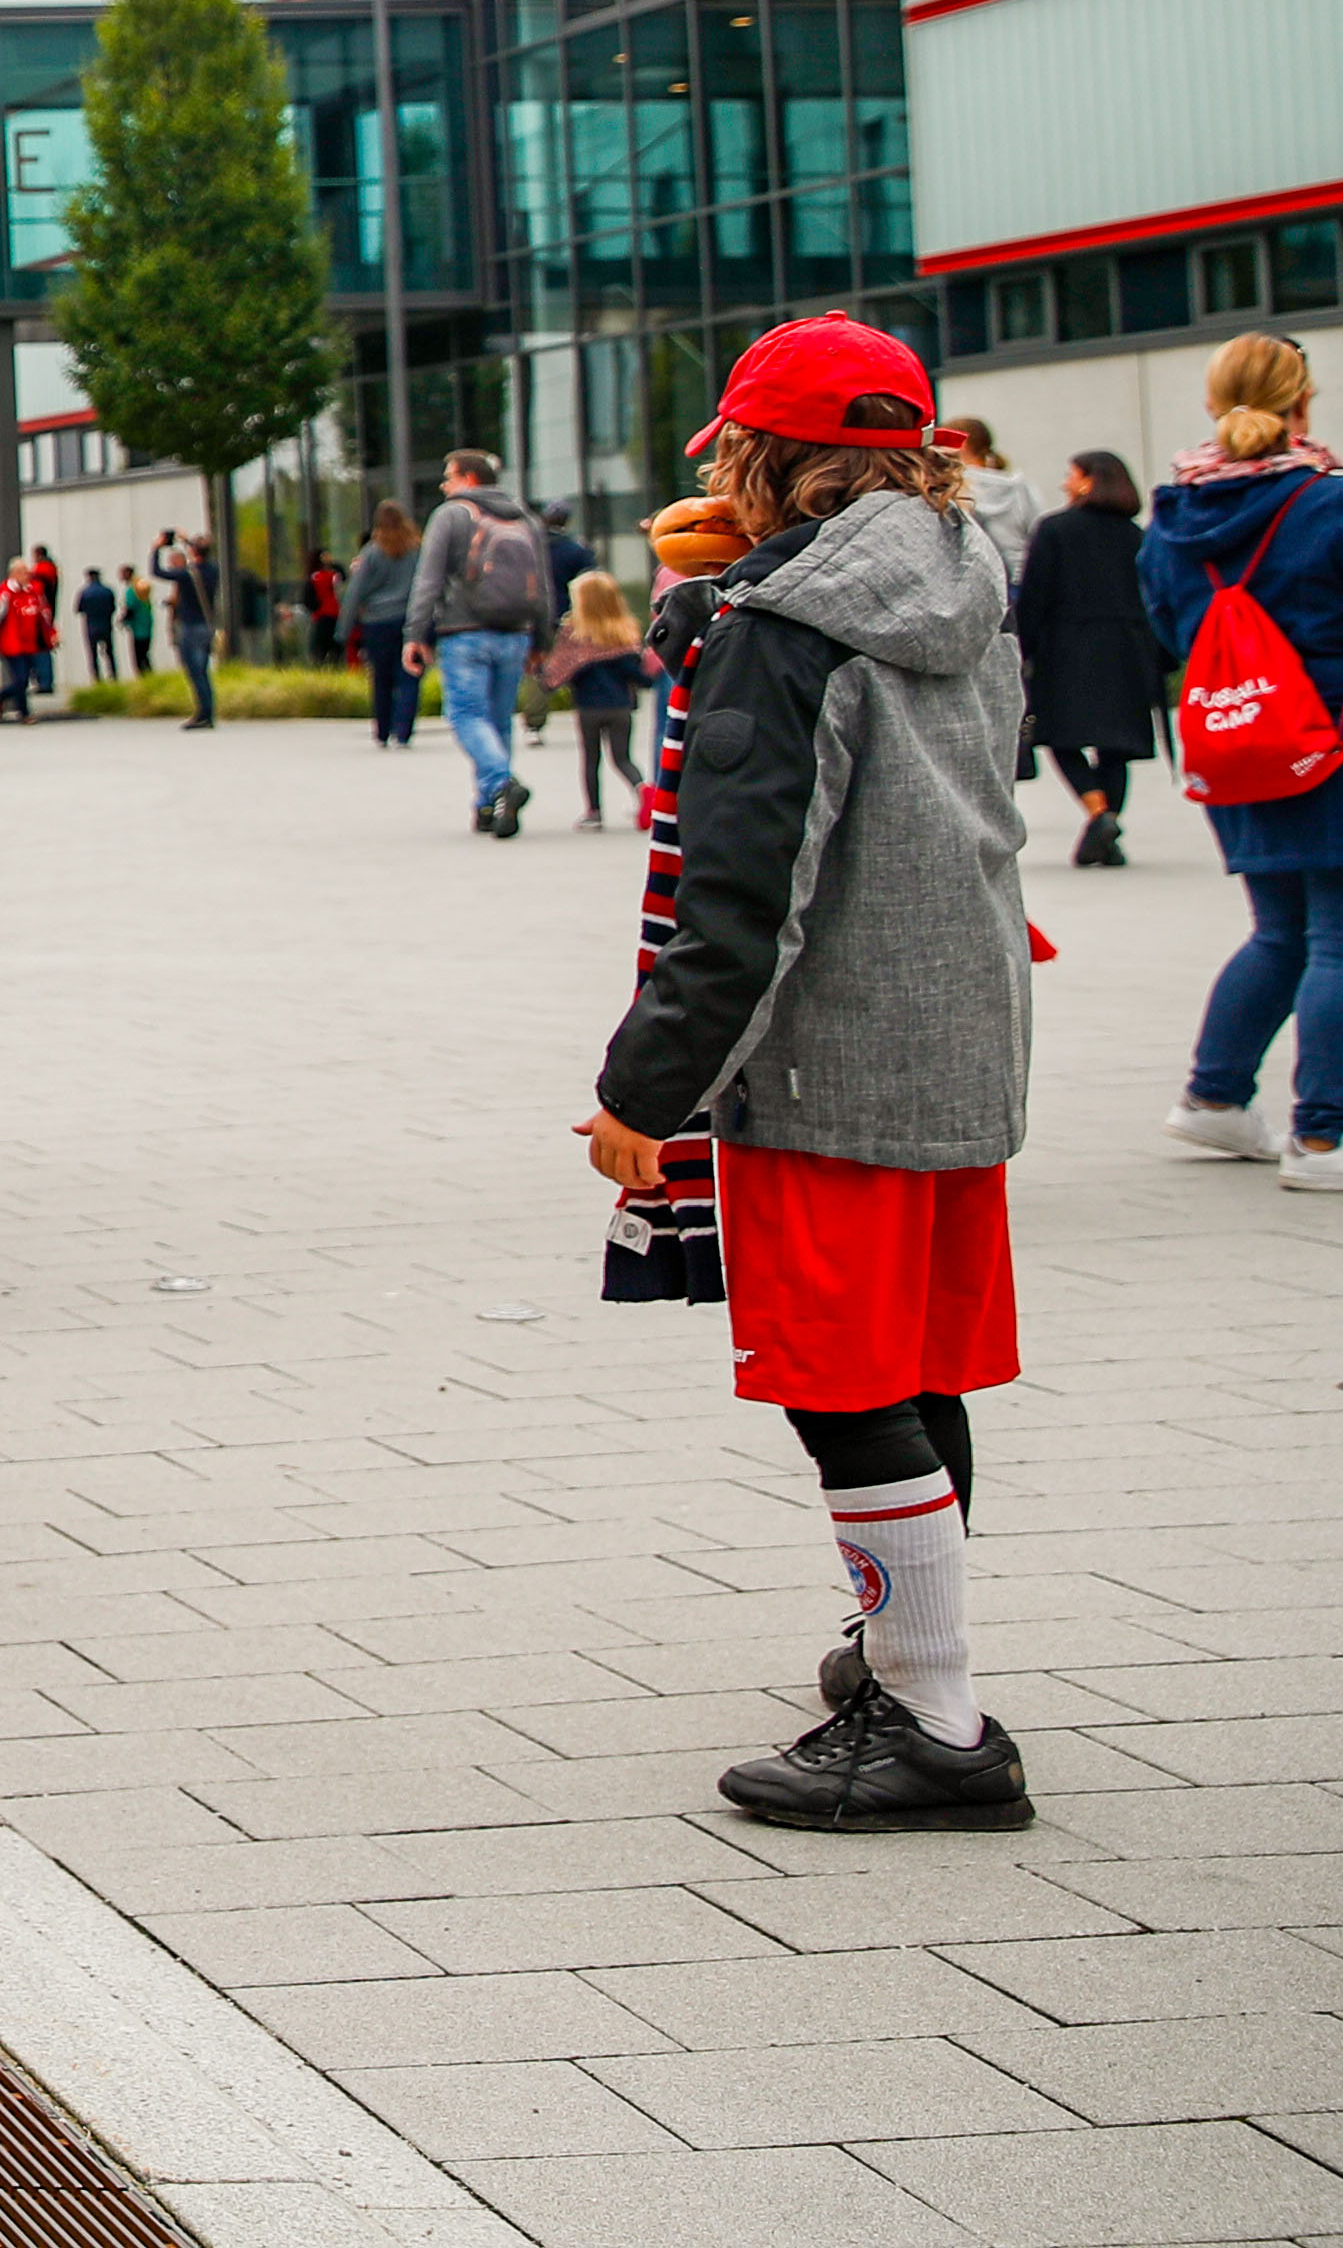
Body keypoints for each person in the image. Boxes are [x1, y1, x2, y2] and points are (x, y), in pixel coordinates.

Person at [580, 315, 1034, 1833]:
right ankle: (908, 1655)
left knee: (844, 1385)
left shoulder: (785, 624)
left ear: (766, 460)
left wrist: (646, 1090)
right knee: (918, 1363)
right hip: (958, 1024)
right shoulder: (963, 578)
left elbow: (742, 891)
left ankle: (935, 1713)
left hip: (829, 1047)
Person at [1138, 334, 1343, 1188]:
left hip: (1236, 741)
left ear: (1214, 404)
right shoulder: (1339, 506)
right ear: (1303, 403)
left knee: (1280, 931)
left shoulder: (1172, 517)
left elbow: (1170, 630)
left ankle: (1216, 1100)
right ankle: (1320, 1139)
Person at [1019, 449, 1161, 872]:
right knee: (1115, 746)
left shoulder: (1055, 530)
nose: (1065, 482)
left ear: (1088, 480)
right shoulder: (1137, 536)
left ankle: (1098, 814)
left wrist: (1022, 649)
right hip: (1128, 651)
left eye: (1071, 474)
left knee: (1061, 738)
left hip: (1068, 651)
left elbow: (1034, 597)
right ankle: (1108, 823)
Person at [407, 447, 556, 839]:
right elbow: (542, 586)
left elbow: (429, 580)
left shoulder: (452, 515)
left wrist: (415, 635)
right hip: (516, 633)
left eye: (449, 476)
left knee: (466, 716)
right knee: (497, 720)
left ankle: (501, 784)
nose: (445, 484)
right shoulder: (525, 517)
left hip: (464, 632)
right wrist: (542, 638)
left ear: (469, 479)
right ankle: (488, 805)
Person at [533, 569, 661, 833]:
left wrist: (542, 675)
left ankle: (594, 812)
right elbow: (641, 677)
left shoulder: (574, 634)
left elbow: (554, 676)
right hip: (620, 708)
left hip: (588, 708)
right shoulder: (623, 634)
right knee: (622, 758)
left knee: (591, 760)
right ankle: (644, 791)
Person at [347, 505, 423, 747]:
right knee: (409, 675)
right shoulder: (416, 550)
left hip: (377, 621)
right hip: (409, 618)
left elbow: (356, 590)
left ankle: (382, 730)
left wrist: (345, 626)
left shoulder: (371, 552)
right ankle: (404, 731)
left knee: (381, 678)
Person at [956, 411, 1049, 582]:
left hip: (981, 581)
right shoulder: (1020, 485)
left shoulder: (957, 488)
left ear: (962, 445)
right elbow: (1038, 530)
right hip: (1024, 578)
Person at [156, 533, 220, 728]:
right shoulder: (213, 570)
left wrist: (156, 547)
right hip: (207, 626)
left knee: (195, 672)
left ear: (193, 551)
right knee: (203, 671)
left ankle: (204, 714)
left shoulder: (187, 574)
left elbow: (157, 572)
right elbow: (200, 552)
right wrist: (187, 540)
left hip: (190, 627)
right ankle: (207, 712)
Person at [0, 552, 54, 722]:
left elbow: (44, 615)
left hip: (31, 643)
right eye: (22, 572)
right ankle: (24, 713)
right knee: (21, 677)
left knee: (26, 678)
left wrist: (51, 634)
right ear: (13, 573)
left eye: (27, 572)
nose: (27, 575)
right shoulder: (6, 593)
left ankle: (2, 695)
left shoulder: (34, 591)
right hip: (11, 643)